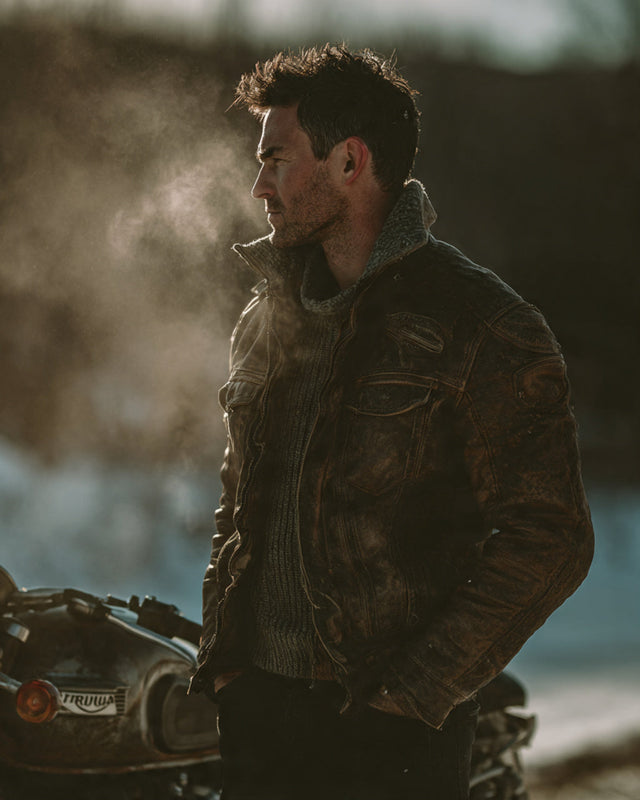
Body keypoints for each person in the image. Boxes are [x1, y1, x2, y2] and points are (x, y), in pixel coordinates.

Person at [190, 45, 594, 800]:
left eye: (277, 159)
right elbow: (237, 503)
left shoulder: (478, 323)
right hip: (257, 723)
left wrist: (412, 696)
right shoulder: (264, 316)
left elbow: (552, 535)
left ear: (349, 161)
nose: (258, 186)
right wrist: (231, 663)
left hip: (392, 741)